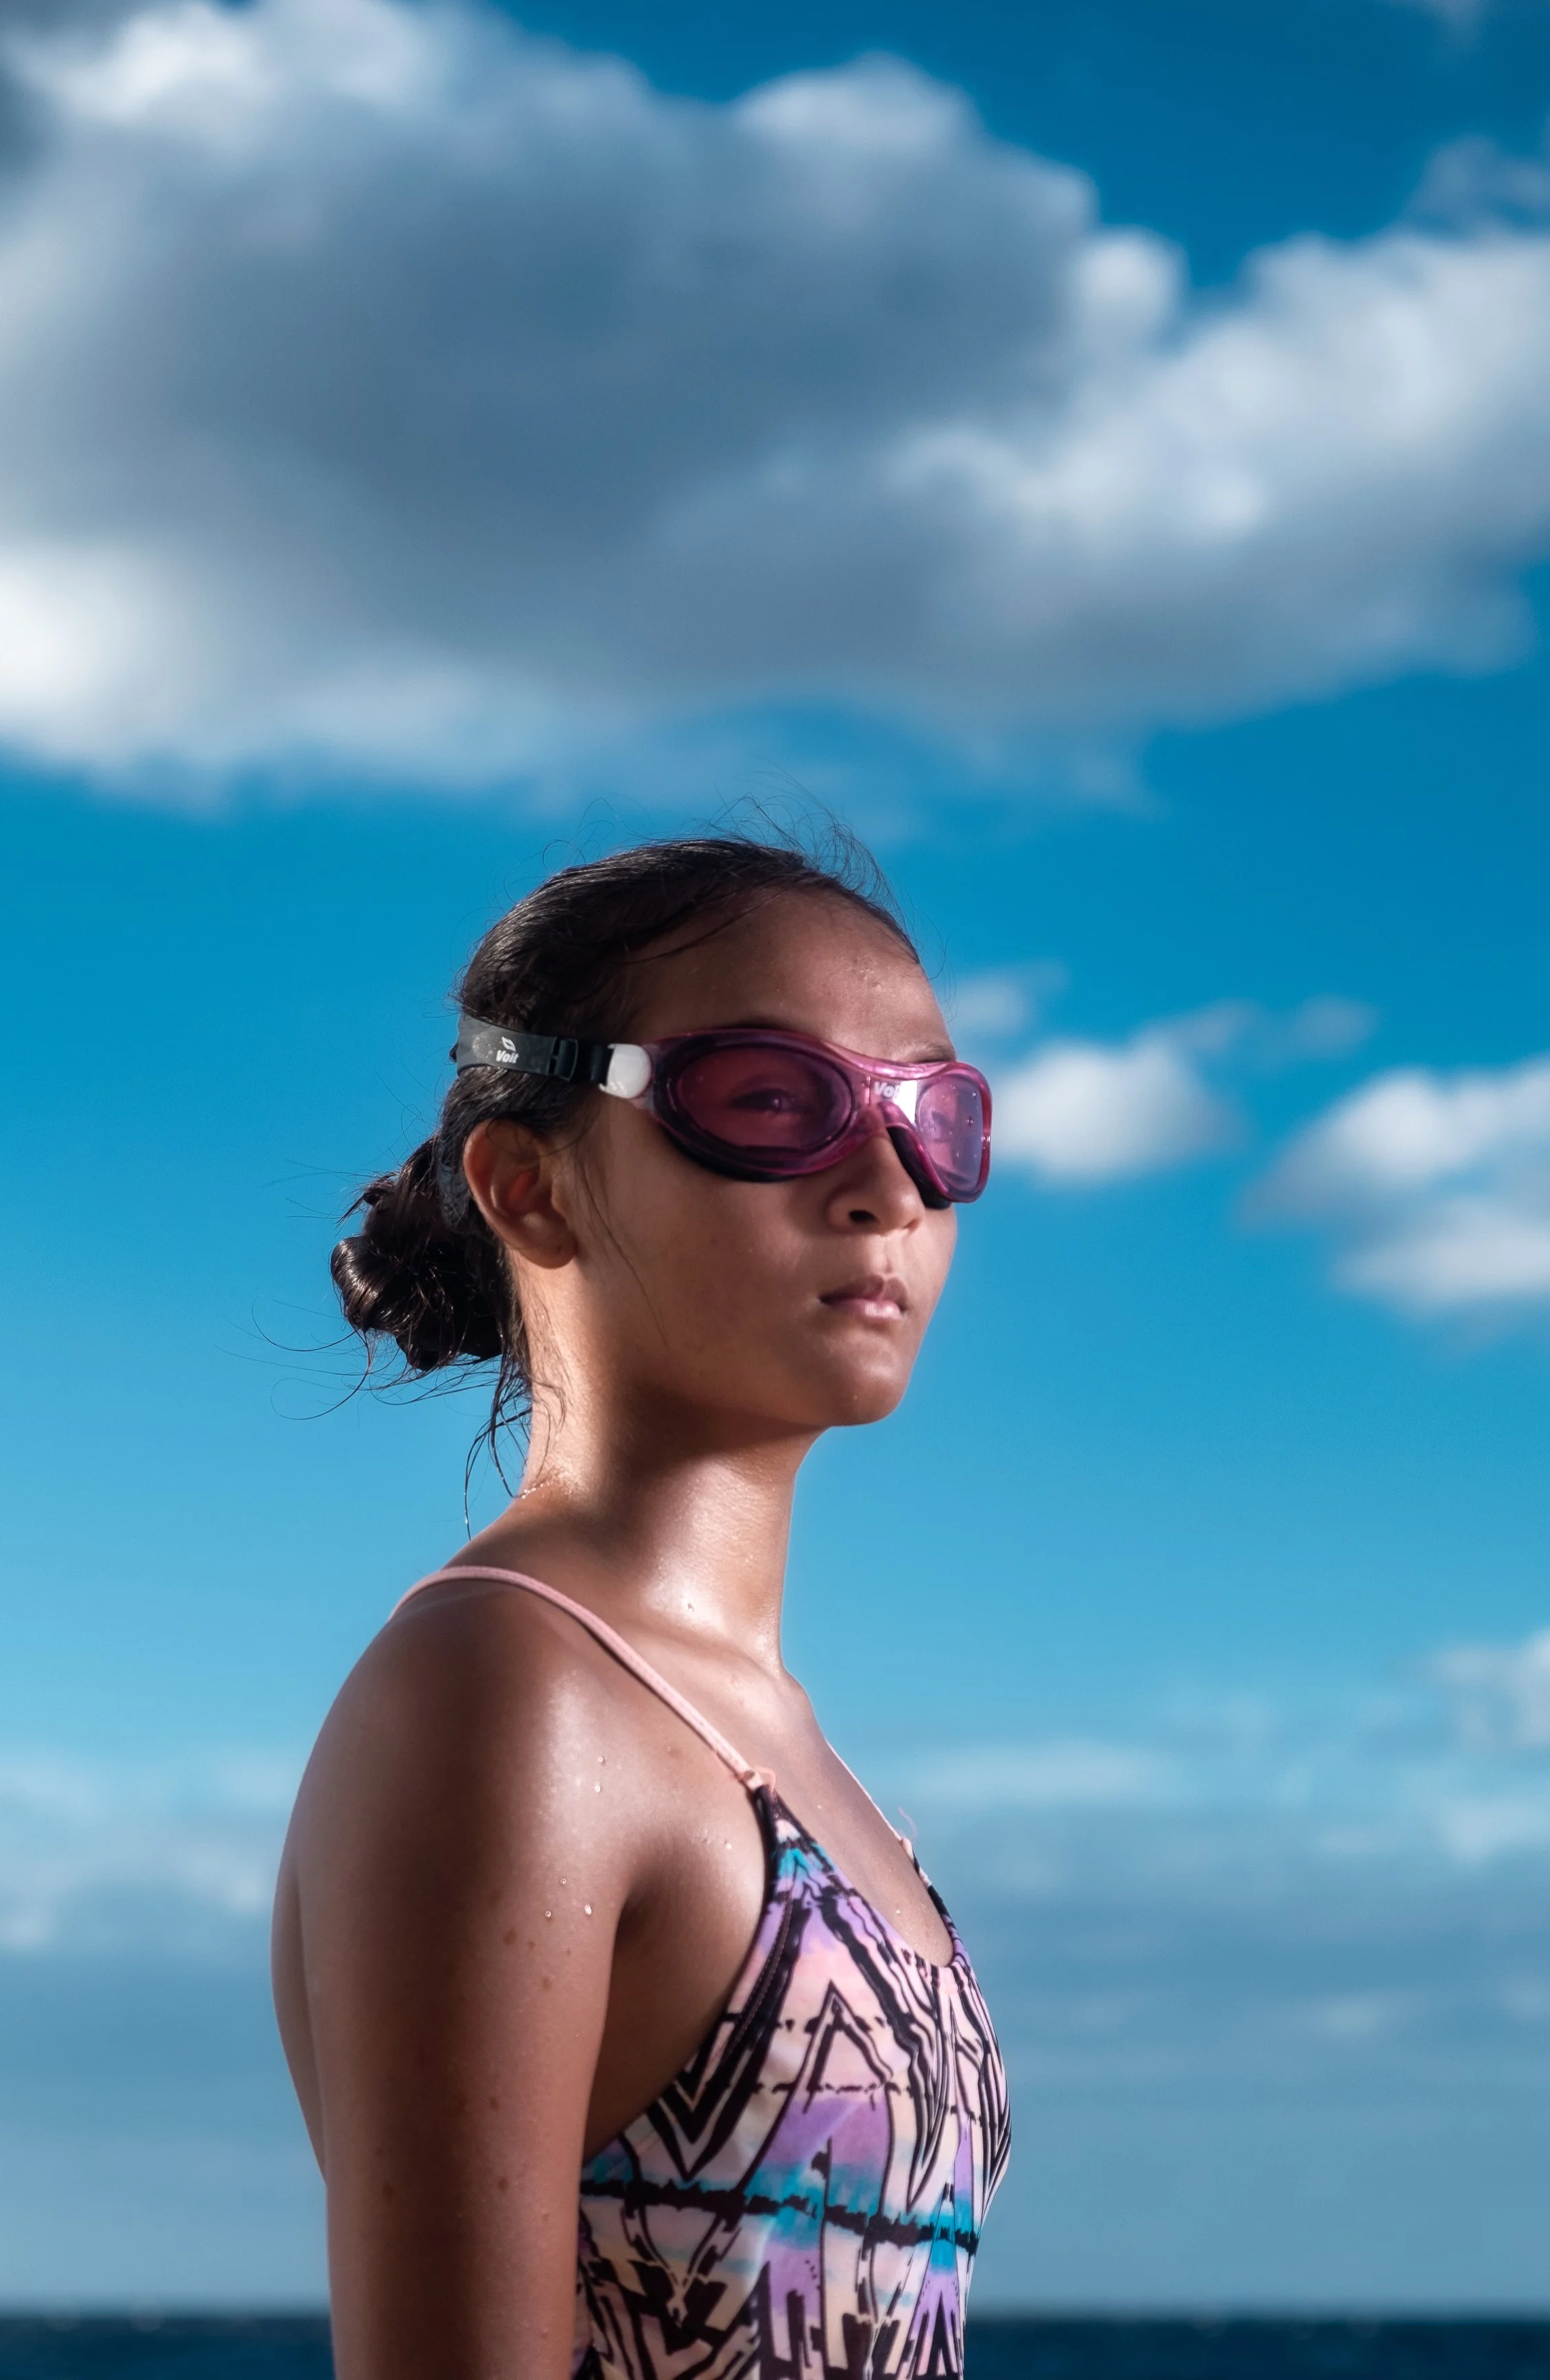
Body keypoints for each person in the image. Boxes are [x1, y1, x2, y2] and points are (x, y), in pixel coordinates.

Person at [273, 832, 1011, 2380]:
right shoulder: (508, 1690)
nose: (887, 1185)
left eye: (934, 1118)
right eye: (773, 1102)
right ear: (530, 1187)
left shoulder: (770, 1734)